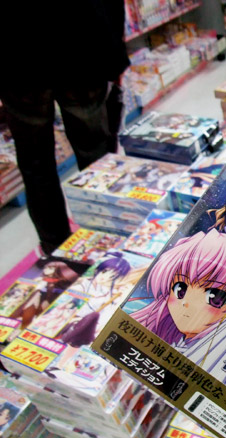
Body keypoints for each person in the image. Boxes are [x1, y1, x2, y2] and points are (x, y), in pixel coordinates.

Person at [0, 1, 129, 255]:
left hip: (15, 52)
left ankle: (55, 248)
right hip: (79, 41)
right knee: (95, 154)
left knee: (35, 162)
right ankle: (108, 239)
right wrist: (115, 52)